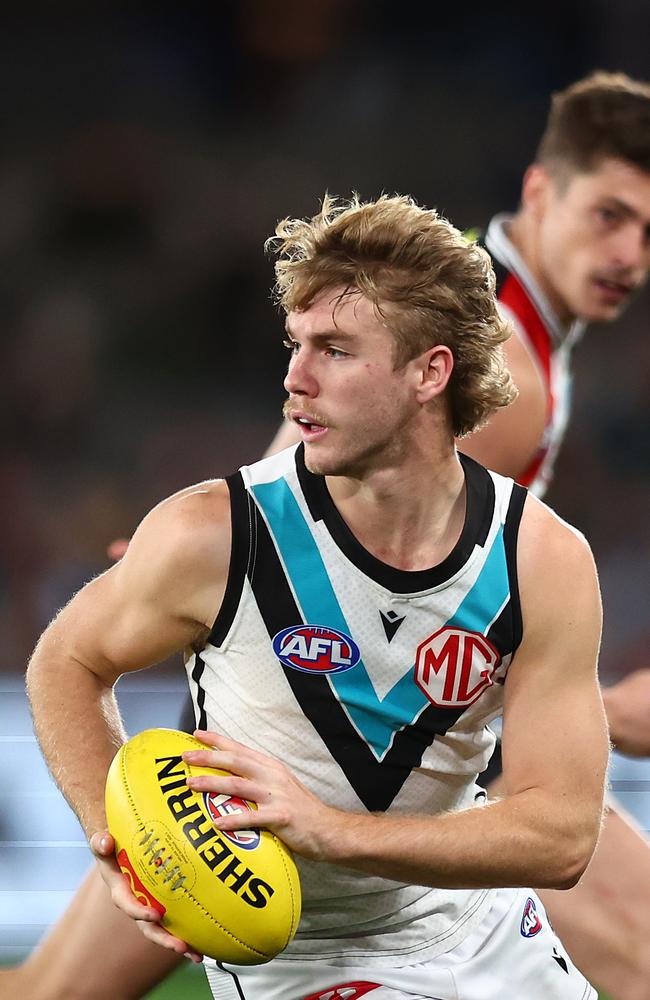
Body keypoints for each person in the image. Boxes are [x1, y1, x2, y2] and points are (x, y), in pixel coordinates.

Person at [4, 70, 649, 1000]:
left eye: (649, 231)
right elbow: (410, 600)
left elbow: (450, 610)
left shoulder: (482, 334)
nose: (629, 252)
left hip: (367, 775)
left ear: (428, 373)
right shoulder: (506, 364)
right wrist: (218, 555)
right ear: (542, 192)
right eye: (610, 215)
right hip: (319, 738)